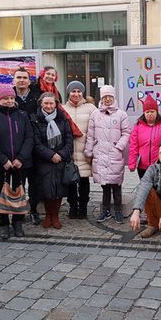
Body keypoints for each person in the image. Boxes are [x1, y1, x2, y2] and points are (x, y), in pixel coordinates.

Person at [0, 84, 34, 240]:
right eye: (6, 98)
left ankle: (18, 223)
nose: (9, 101)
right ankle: (4, 224)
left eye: (11, 98)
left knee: (19, 192)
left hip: (20, 163)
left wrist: (21, 158)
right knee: (1, 193)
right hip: (1, 164)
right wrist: (3, 160)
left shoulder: (22, 116)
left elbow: (29, 138)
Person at [84, 85, 131, 224]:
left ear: (114, 97)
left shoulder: (121, 114)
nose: (108, 99)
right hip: (100, 154)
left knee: (116, 185)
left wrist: (119, 146)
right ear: (101, 98)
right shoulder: (95, 114)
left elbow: (127, 132)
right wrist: (89, 151)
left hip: (115, 153)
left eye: (110, 96)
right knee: (104, 185)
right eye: (105, 97)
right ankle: (105, 210)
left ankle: (117, 211)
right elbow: (90, 135)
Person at [30, 92, 73, 229]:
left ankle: (56, 216)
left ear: (56, 104)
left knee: (59, 190)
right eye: (46, 103)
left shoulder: (63, 118)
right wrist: (50, 155)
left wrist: (60, 154)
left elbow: (69, 139)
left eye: (51, 103)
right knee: (46, 190)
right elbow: (35, 142)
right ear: (41, 104)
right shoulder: (35, 119)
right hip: (43, 161)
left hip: (60, 159)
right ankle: (48, 215)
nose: (48, 106)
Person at [62, 80, 96, 219]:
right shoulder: (62, 109)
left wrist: (91, 151)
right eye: (73, 91)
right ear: (69, 93)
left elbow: (94, 131)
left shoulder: (91, 109)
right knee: (70, 181)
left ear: (83, 93)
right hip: (69, 152)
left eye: (78, 91)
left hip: (84, 151)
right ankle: (72, 207)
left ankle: (83, 208)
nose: (76, 94)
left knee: (83, 181)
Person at [12, 67, 41, 225]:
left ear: (29, 81)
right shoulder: (9, 96)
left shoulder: (37, 96)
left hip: (35, 146)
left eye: (24, 78)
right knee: (18, 183)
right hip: (17, 147)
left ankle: (34, 210)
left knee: (35, 182)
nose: (21, 80)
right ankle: (20, 211)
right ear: (14, 80)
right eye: (18, 77)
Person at [128, 95, 161, 179]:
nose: (149, 114)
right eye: (147, 112)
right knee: (146, 189)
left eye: (152, 111)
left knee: (159, 189)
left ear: (156, 112)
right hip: (143, 166)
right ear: (144, 113)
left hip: (160, 164)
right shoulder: (138, 126)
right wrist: (132, 163)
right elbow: (133, 146)